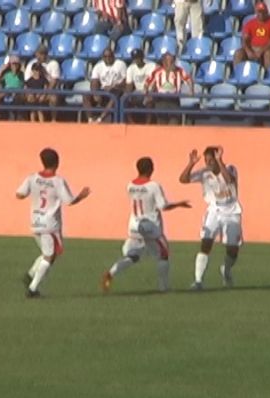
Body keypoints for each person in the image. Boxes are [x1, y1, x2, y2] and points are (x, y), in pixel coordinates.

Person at [101, 157, 191, 293]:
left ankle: (111, 273)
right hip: (151, 226)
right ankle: (163, 287)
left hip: (134, 226)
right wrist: (179, 204)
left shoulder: (130, 185)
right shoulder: (154, 186)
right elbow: (163, 206)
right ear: (150, 169)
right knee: (163, 255)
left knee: (133, 256)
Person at [16, 148, 91, 298]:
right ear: (57, 162)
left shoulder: (32, 178)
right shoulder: (58, 181)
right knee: (50, 256)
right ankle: (32, 288)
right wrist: (81, 196)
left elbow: (19, 194)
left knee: (49, 253)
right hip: (50, 224)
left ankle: (31, 275)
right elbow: (69, 201)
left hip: (35, 221)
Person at [179, 146, 243, 290]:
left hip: (231, 212)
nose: (208, 163)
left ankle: (226, 270)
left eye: (211, 160)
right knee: (206, 243)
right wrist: (191, 163)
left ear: (217, 158)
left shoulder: (231, 169)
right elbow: (183, 180)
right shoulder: (204, 173)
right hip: (214, 210)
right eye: (206, 160)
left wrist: (221, 162)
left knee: (233, 249)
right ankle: (198, 280)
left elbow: (229, 181)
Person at [145, 52, 194, 125]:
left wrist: (191, 90)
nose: (173, 63)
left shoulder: (179, 70)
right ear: (164, 62)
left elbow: (189, 79)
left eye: (173, 61)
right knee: (161, 123)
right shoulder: (157, 72)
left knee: (174, 122)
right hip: (160, 100)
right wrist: (147, 93)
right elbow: (147, 83)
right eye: (171, 61)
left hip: (173, 100)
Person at [83, 48, 126, 123]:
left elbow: (125, 81)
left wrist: (112, 86)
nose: (108, 58)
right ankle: (90, 119)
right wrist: (95, 93)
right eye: (105, 56)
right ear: (102, 57)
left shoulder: (120, 64)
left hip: (116, 89)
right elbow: (94, 82)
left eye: (110, 56)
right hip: (103, 90)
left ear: (113, 56)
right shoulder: (98, 66)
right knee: (86, 96)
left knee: (115, 96)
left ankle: (100, 118)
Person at [234, 1, 270, 71]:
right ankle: (238, 73)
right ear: (256, 12)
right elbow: (245, 39)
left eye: (263, 12)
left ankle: (269, 75)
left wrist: (261, 50)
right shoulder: (250, 23)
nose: (261, 14)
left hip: (267, 48)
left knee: (268, 54)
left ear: (266, 12)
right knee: (238, 53)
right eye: (259, 12)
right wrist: (248, 51)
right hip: (252, 47)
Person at [24, 46, 60, 121]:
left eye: (43, 54)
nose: (40, 56)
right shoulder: (31, 64)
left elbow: (53, 82)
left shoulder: (53, 64)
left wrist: (44, 94)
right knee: (20, 96)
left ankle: (53, 120)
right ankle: (20, 119)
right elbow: (27, 81)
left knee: (53, 98)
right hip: (33, 90)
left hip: (47, 90)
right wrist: (30, 93)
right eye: (39, 54)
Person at [125, 48, 156, 124]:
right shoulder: (130, 68)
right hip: (137, 92)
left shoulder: (151, 65)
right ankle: (132, 124)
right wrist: (128, 96)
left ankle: (147, 125)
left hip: (150, 91)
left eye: (138, 57)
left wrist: (149, 93)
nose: (137, 60)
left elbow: (155, 83)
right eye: (135, 58)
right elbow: (129, 85)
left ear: (142, 57)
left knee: (149, 100)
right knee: (125, 100)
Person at [0, 54, 25, 121]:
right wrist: (1, 70)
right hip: (7, 91)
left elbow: (23, 82)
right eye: (13, 64)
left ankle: (15, 116)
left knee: (17, 96)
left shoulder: (21, 74)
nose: (15, 66)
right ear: (10, 65)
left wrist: (20, 68)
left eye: (16, 64)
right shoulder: (7, 74)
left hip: (17, 93)